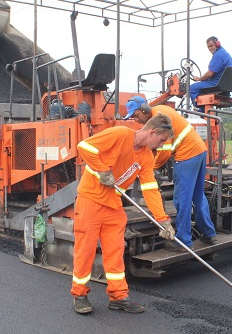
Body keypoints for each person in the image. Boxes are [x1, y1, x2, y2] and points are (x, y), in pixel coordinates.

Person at [71, 113, 176, 315]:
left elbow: (150, 188)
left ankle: (118, 297)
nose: (161, 146)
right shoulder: (120, 134)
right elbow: (85, 147)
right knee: (85, 251)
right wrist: (102, 171)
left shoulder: (146, 156)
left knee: (115, 251)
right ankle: (80, 295)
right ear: (152, 131)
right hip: (91, 201)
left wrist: (163, 221)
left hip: (114, 205)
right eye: (161, 140)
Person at [123, 96, 217, 252]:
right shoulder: (161, 112)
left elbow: (165, 152)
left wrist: (149, 168)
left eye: (136, 115)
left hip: (187, 155)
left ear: (145, 110)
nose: (137, 120)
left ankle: (183, 241)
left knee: (182, 200)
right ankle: (209, 233)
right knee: (197, 196)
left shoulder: (159, 118)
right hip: (199, 151)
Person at [189, 36, 232, 111]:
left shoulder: (218, 55)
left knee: (192, 88)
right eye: (208, 47)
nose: (210, 48)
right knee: (201, 85)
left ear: (217, 44)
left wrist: (199, 79)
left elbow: (210, 74)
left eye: (211, 46)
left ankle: (200, 113)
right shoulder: (224, 53)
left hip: (217, 83)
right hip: (224, 83)